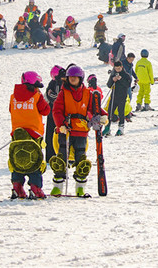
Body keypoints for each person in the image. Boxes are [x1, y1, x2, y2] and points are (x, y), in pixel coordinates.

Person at [50, 65, 106, 197]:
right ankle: (58, 186)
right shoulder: (63, 93)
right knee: (61, 159)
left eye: (75, 78)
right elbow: (56, 111)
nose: (73, 79)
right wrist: (61, 124)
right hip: (66, 131)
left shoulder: (87, 93)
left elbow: (95, 108)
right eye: (70, 78)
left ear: (80, 78)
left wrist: (103, 116)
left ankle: (80, 187)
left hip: (81, 131)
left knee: (81, 159)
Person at [8, 71, 50, 199]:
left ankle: (17, 186)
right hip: (34, 134)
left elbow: (11, 110)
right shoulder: (37, 96)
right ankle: (35, 188)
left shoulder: (13, 97)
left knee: (18, 160)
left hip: (17, 134)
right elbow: (46, 111)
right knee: (34, 161)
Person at [105, 61, 133, 136]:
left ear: (122, 67)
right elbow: (108, 85)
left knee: (121, 112)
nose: (117, 70)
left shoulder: (126, 75)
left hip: (122, 97)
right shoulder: (113, 74)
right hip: (114, 96)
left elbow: (128, 84)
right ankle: (107, 127)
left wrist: (121, 79)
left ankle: (121, 128)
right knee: (110, 111)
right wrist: (113, 80)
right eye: (116, 68)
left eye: (119, 68)